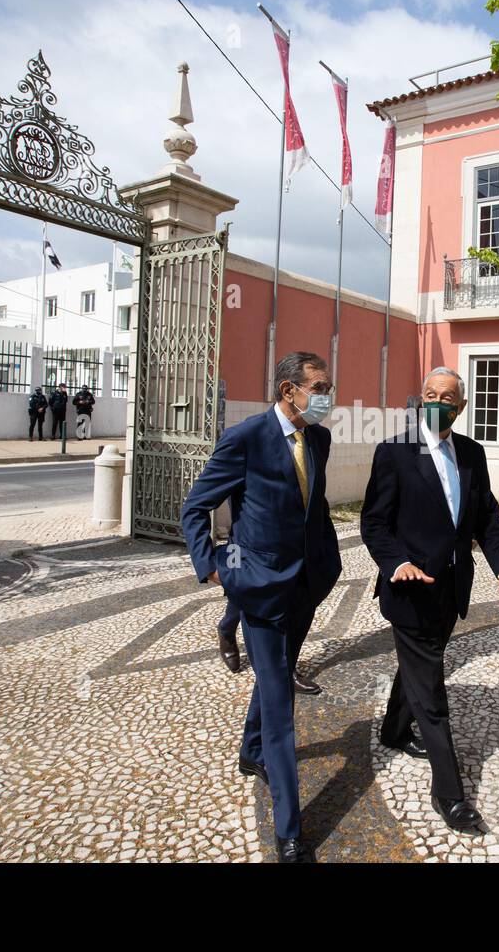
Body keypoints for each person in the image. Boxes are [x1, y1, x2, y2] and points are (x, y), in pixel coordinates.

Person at [360, 366, 499, 833]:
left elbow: (486, 515)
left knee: (420, 663)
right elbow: (374, 523)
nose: (438, 402)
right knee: (433, 690)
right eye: (430, 394)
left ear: (461, 407)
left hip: (452, 590)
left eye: (448, 397)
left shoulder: (472, 453)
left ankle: (394, 730)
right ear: (421, 399)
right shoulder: (395, 452)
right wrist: (395, 562)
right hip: (408, 590)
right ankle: (451, 794)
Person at [181, 351, 342, 863]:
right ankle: (290, 828)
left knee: (278, 672)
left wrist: (326, 562)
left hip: (305, 585)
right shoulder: (246, 437)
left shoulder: (320, 437)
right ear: (287, 389)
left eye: (328, 386)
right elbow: (196, 505)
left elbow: (312, 509)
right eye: (317, 386)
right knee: (279, 701)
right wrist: (215, 567)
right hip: (259, 588)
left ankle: (252, 751)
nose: (325, 396)